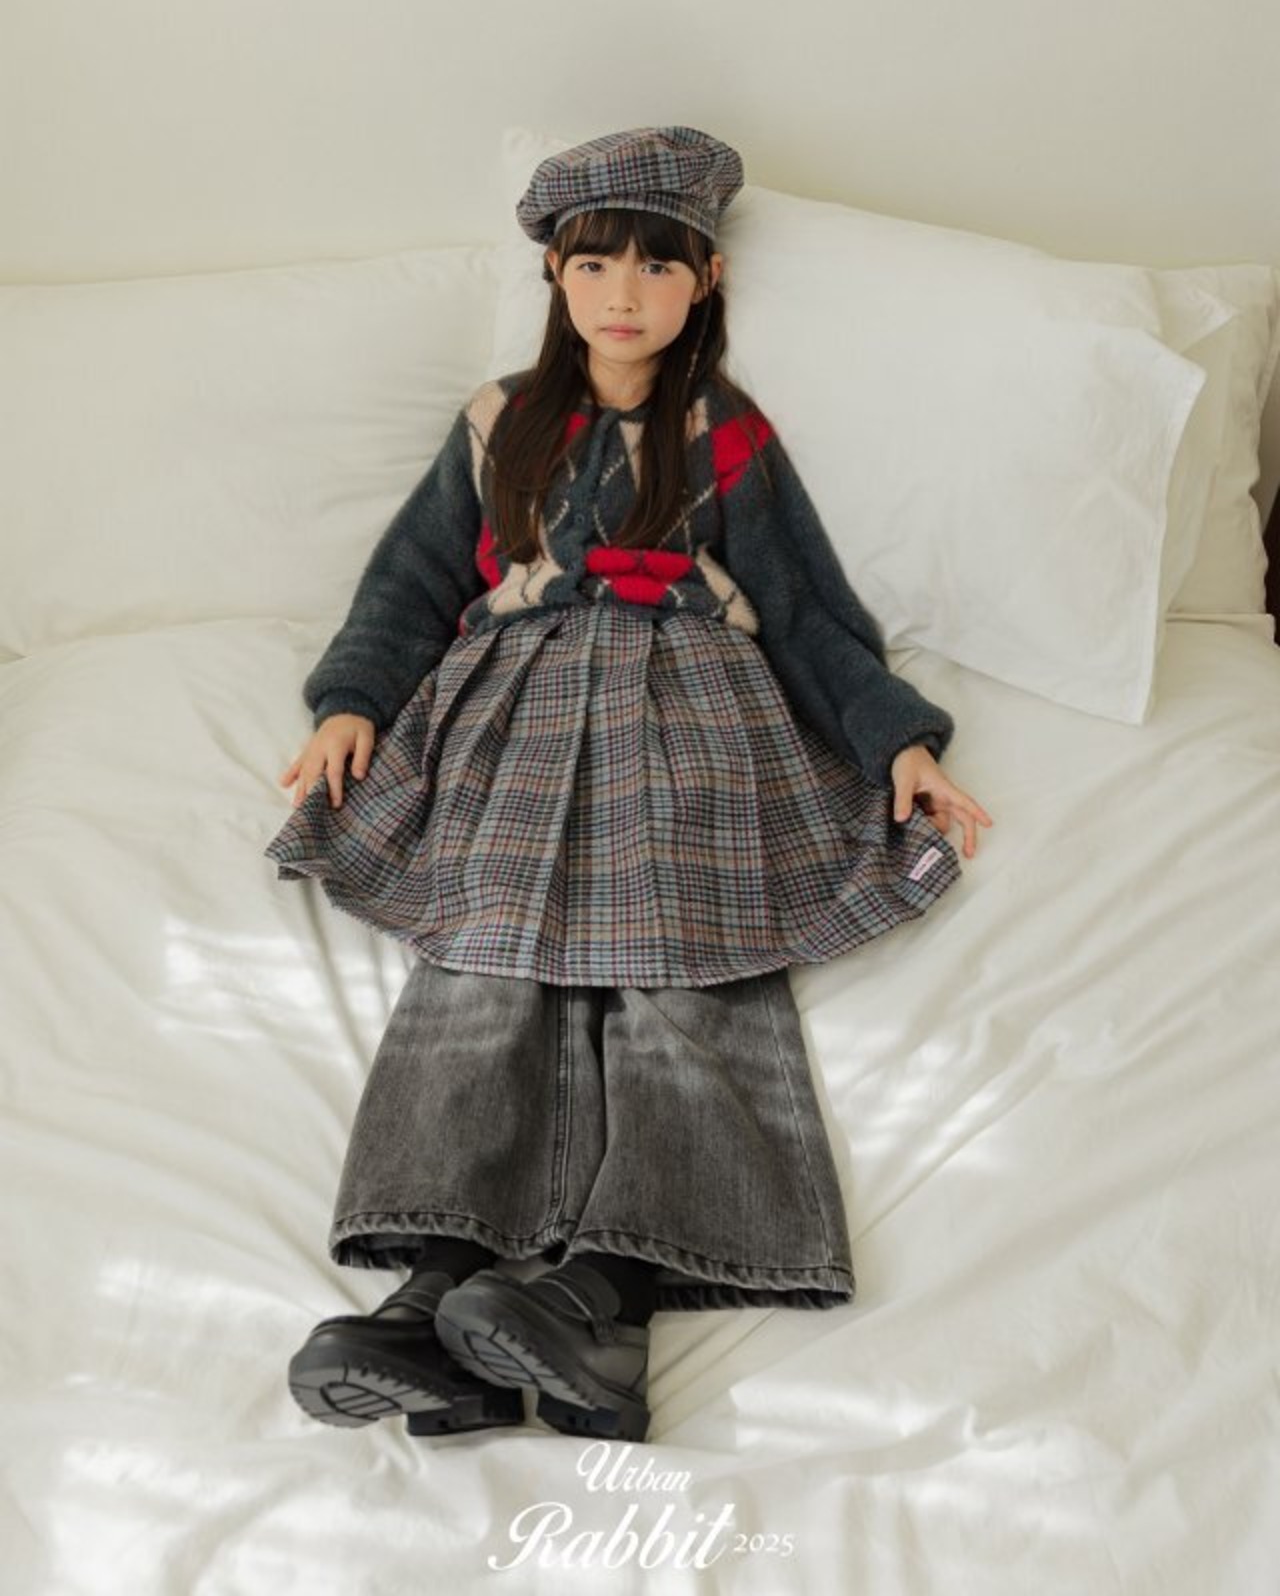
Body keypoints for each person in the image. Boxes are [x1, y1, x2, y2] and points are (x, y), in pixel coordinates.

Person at [263, 124, 993, 1445]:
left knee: (684, 967)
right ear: (554, 275)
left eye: (658, 267)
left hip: (689, 705)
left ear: (707, 280)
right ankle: (435, 1304)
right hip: (516, 714)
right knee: (482, 965)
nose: (623, 294)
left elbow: (806, 610)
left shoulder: (724, 432)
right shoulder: (498, 422)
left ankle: (600, 1296)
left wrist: (899, 739)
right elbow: (412, 584)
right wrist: (351, 703)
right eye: (594, 264)